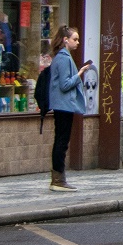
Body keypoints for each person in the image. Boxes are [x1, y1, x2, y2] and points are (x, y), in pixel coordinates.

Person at [48, 27, 91, 191]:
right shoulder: (64, 58)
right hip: (64, 104)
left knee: (61, 140)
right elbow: (65, 84)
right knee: (62, 141)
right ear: (66, 40)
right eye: (75, 39)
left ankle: (58, 178)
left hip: (62, 104)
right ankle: (58, 179)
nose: (78, 43)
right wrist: (80, 73)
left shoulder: (61, 57)